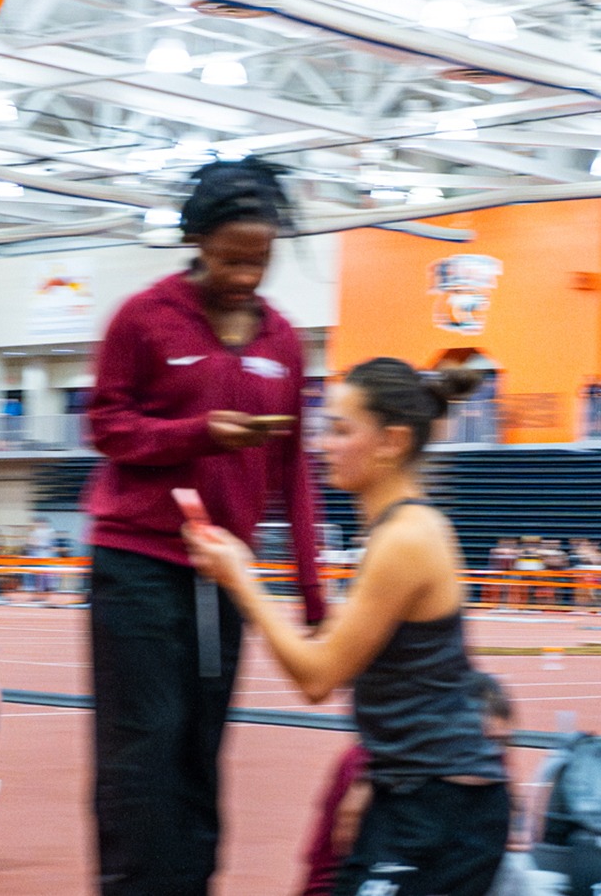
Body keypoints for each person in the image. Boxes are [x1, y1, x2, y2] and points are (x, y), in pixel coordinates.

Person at [84, 158, 326, 895]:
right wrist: (195, 433)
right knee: (143, 744)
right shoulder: (143, 317)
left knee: (201, 744)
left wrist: (313, 592)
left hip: (227, 574)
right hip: (137, 561)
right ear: (195, 240)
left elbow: (294, 471)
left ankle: (193, 882)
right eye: (231, 258)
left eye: (260, 259)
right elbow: (105, 425)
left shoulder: (283, 341)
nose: (247, 274)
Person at [187, 358, 506, 896]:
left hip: (445, 806)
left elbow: (317, 676)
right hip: (406, 789)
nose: (322, 445)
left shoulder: (406, 539)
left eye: (340, 430)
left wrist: (240, 578)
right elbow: (328, 651)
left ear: (391, 442)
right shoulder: (394, 531)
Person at [298, 671, 517, 896]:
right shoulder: (363, 766)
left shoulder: (493, 789)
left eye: (502, 743)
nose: (494, 755)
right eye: (484, 741)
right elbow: (324, 873)